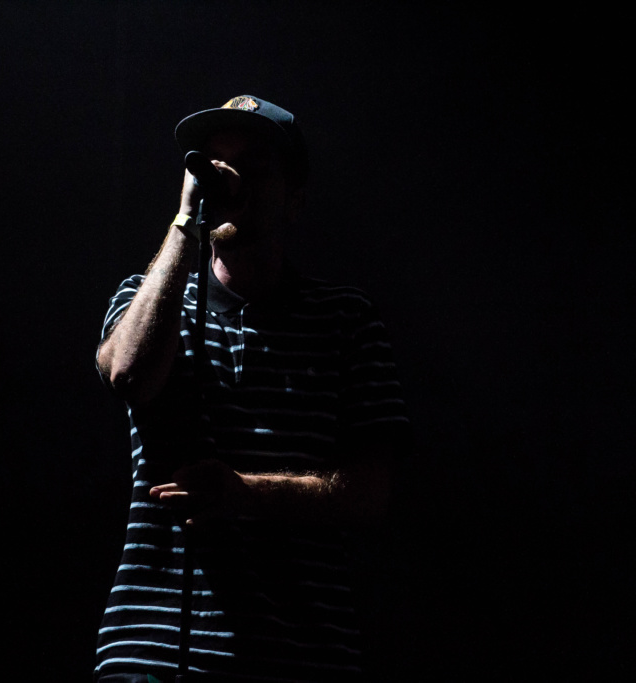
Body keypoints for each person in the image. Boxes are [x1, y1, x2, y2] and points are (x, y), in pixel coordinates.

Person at [95, 95, 411, 682]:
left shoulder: (346, 319)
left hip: (298, 657)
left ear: (294, 199)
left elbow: (371, 496)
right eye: (216, 163)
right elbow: (128, 375)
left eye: (254, 168)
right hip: (154, 653)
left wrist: (245, 493)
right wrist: (186, 223)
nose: (229, 180)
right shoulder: (147, 296)